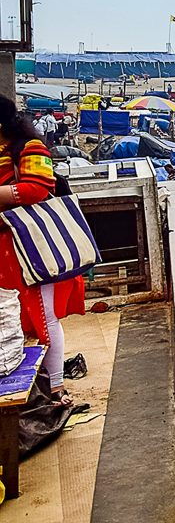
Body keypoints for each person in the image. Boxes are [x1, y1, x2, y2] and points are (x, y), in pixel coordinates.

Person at [0, 95, 86, 407]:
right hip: (4, 251)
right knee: (14, 319)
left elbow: (38, 188)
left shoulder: (30, 148)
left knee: (43, 316)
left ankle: (56, 388)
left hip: (30, 248)